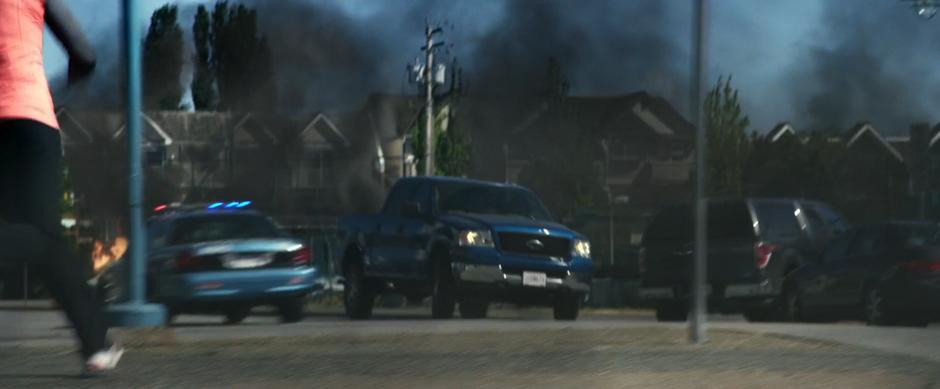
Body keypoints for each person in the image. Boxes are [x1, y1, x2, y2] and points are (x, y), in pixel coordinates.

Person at [0, 0, 123, 374]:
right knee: (42, 236)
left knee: (43, 239)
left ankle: (97, 342)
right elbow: (84, 54)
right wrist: (63, 84)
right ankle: (96, 343)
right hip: (30, 118)